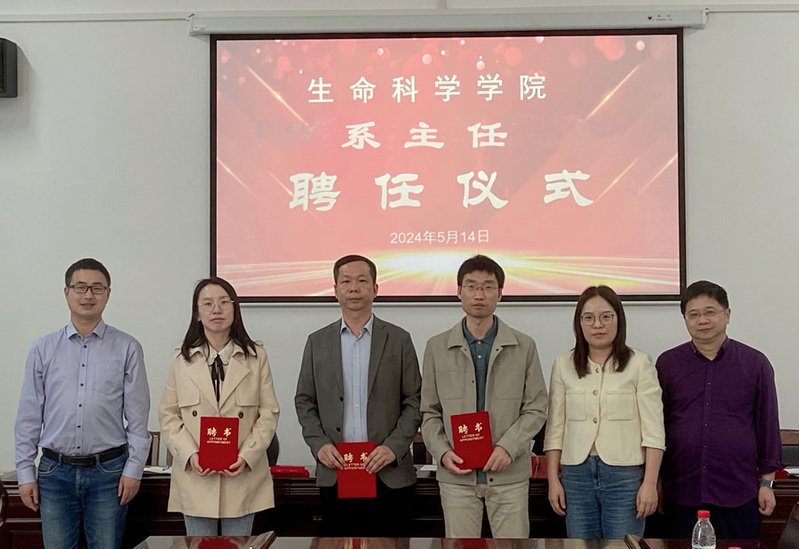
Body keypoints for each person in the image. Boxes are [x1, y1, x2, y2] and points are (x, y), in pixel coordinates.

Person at [14, 258, 151, 549]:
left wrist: (134, 470)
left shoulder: (127, 347)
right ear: (67, 292)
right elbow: (28, 416)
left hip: (109, 473)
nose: (88, 295)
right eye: (80, 287)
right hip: (54, 473)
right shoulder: (42, 348)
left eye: (97, 288)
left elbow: (139, 417)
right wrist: (25, 472)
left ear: (108, 294)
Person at [420, 254, 548, 538]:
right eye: (472, 286)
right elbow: (429, 411)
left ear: (500, 293)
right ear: (459, 292)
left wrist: (508, 448)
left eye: (488, 286)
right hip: (457, 477)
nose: (479, 294)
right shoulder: (437, 347)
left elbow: (537, 407)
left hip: (508, 476)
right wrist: (443, 453)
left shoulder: (524, 346)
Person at [294, 254, 422, 537]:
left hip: (388, 473)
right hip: (337, 471)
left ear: (375, 289)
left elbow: (414, 400)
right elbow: (305, 401)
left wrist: (393, 448)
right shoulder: (317, 342)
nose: (354, 288)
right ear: (335, 289)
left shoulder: (399, 339)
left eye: (362, 281)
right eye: (346, 282)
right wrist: (319, 445)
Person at [656, 280, 782, 539]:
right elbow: (658, 426)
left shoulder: (755, 364)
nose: (702, 320)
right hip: (681, 492)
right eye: (693, 314)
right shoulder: (667, 364)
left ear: (727, 314)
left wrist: (767, 483)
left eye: (710, 312)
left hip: (737, 491)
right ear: (685, 319)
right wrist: (656, 481)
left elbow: (767, 425)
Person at [158, 277, 280, 535]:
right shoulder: (182, 359)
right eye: (208, 304)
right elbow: (168, 415)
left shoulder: (256, 356)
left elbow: (268, 413)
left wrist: (246, 456)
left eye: (224, 302)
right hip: (197, 478)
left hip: (242, 476)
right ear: (197, 313)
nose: (217, 310)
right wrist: (190, 454)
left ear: (235, 310)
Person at [544, 285, 665, 539]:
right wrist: (553, 480)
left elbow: (654, 430)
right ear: (579, 323)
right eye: (588, 317)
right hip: (576, 475)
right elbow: (555, 429)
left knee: (623, 545)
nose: (597, 325)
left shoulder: (639, 363)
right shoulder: (564, 365)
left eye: (606, 317)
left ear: (619, 319)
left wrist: (650, 483)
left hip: (624, 475)